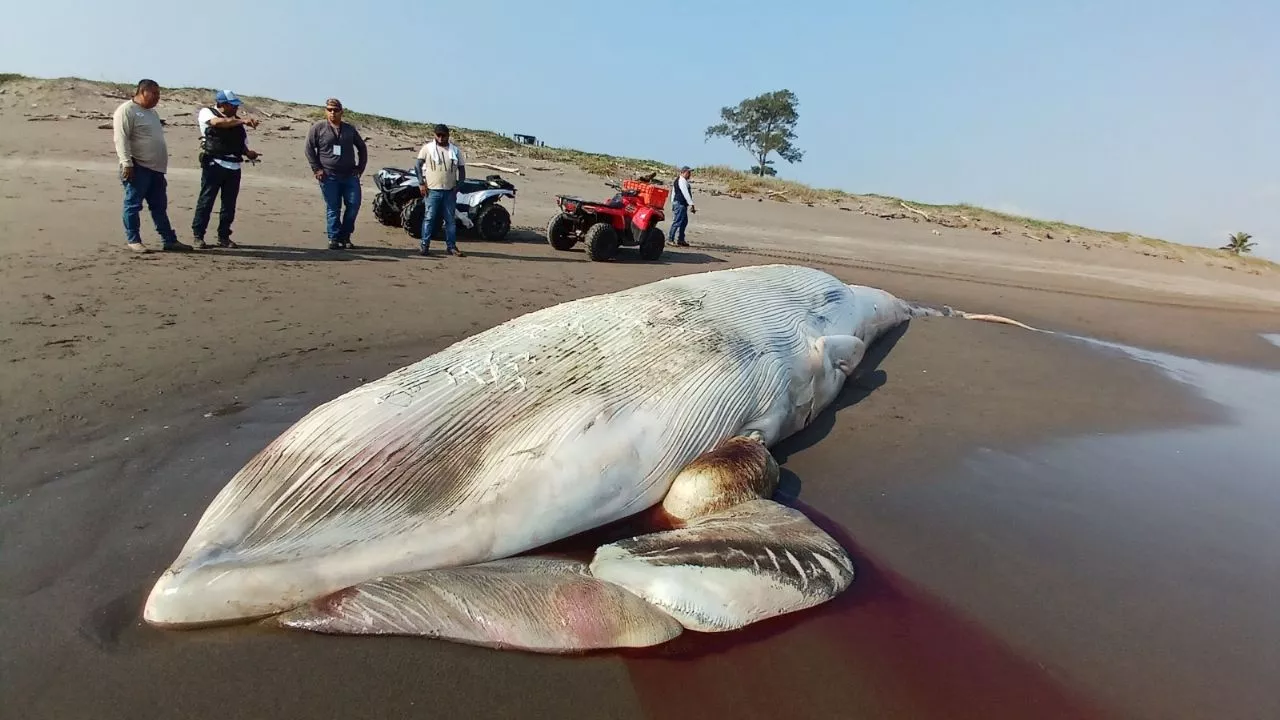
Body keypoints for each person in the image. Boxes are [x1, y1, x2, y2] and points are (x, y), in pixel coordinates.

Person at [111, 79, 192, 253]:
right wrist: (127, 163)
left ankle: (169, 240)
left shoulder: (152, 113)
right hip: (137, 166)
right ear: (142, 92)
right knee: (133, 204)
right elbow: (121, 138)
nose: (157, 97)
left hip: (156, 170)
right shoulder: (127, 111)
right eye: (154, 93)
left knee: (159, 206)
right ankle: (134, 240)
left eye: (159, 94)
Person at [191, 90, 260, 249]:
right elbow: (218, 123)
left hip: (234, 166)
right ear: (221, 104)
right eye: (232, 105)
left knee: (229, 205)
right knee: (206, 201)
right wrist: (243, 121)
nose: (235, 108)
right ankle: (198, 235)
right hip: (214, 164)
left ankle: (224, 236)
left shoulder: (236, 122)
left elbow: (241, 144)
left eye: (236, 105)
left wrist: (249, 153)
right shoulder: (207, 113)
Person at [304, 97, 367, 249]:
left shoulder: (349, 129)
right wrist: (316, 169)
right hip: (328, 175)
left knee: (354, 204)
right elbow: (309, 149)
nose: (333, 113)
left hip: (349, 175)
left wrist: (360, 168)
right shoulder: (318, 128)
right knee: (333, 207)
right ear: (326, 111)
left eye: (336, 110)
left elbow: (362, 148)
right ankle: (333, 238)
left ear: (341, 111)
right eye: (329, 110)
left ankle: (345, 236)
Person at [414, 123, 466, 257]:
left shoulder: (455, 151)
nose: (441, 138)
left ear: (448, 135)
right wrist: (421, 183)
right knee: (429, 218)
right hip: (432, 190)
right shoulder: (427, 149)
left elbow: (462, 169)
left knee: (450, 220)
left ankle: (451, 246)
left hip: (449, 191)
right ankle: (424, 246)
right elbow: (418, 165)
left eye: (444, 135)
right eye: (439, 135)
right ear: (435, 135)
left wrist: (458, 185)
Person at [669, 165, 695, 247]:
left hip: (680, 204)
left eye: (690, 172)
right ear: (683, 172)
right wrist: (691, 204)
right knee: (677, 222)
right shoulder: (681, 181)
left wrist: (673, 202)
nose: (689, 174)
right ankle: (670, 239)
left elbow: (674, 192)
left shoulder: (681, 180)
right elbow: (685, 193)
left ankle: (681, 239)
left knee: (684, 222)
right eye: (688, 172)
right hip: (680, 204)